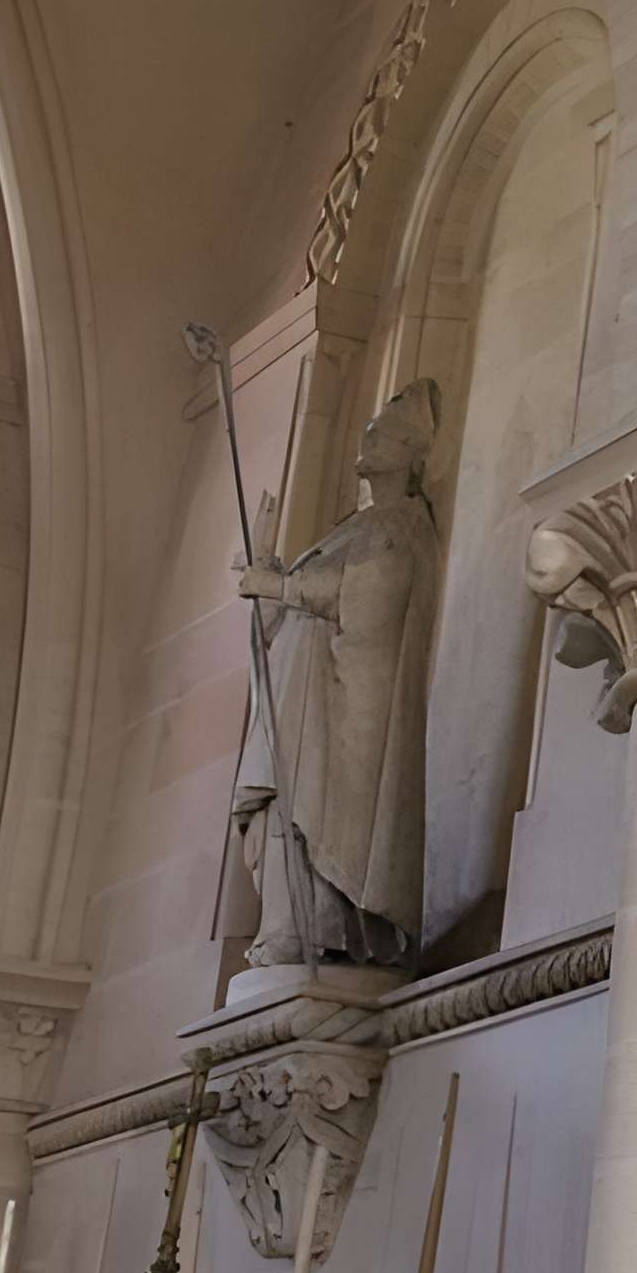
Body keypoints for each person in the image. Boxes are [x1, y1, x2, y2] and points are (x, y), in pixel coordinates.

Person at [231, 380, 438, 972]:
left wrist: (282, 585)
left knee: (319, 809)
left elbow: (376, 596)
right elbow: (292, 608)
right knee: (285, 805)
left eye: (387, 434)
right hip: (302, 685)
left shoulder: (401, 524)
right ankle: (284, 925)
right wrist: (266, 576)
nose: (369, 439)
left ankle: (312, 928)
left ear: (411, 455)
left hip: (338, 699)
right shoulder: (351, 527)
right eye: (370, 430)